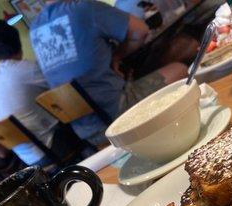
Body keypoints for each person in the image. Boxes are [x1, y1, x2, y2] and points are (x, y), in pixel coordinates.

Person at [30, 0, 188, 147]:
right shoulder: (84, 8)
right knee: (180, 67)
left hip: (85, 131)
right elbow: (141, 31)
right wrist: (117, 56)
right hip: (117, 116)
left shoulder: (34, 29)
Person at [0, 20, 67, 169]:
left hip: (28, 158)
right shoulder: (29, 69)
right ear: (18, 41)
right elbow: (63, 86)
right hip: (49, 147)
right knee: (80, 119)